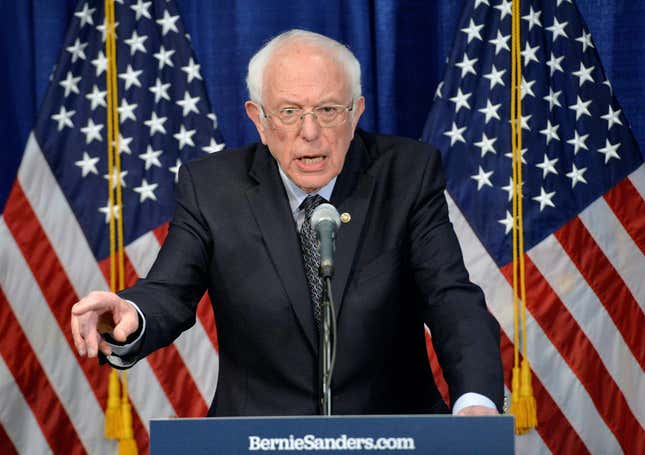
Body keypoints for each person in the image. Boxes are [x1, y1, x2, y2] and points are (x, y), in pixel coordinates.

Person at [71, 29, 503, 417]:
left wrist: (476, 402)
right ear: (259, 120)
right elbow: (169, 291)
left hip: (391, 432)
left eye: (329, 110)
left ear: (356, 113)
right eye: (290, 112)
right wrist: (132, 312)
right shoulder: (212, 187)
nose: (310, 132)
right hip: (255, 437)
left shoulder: (408, 174)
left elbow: (451, 301)